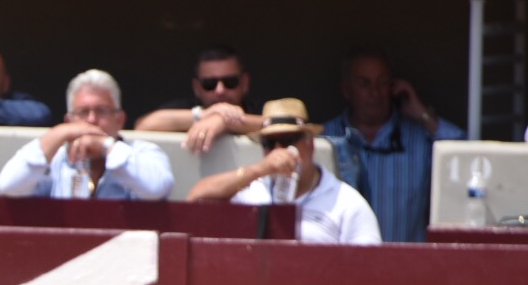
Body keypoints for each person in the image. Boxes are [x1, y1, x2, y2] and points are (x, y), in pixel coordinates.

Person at [188, 99, 381, 245]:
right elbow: (196, 198)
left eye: (288, 140)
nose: (279, 151)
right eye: (270, 143)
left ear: (309, 143)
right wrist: (261, 169)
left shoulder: (347, 202)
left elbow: (369, 268)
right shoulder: (254, 190)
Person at [322, 49, 463, 243]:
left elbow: (464, 157)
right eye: (364, 83)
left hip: (407, 267)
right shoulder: (326, 138)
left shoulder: (419, 138)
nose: (374, 92)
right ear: (346, 90)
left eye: (382, 83)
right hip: (344, 267)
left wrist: (423, 114)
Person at [0, 70, 173, 200]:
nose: (92, 119)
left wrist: (106, 146)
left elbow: (156, 188)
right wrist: (57, 134)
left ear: (120, 120)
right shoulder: (56, 159)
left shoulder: (143, 152)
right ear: (69, 121)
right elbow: (10, 186)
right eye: (83, 112)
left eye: (101, 111)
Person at [135, 45, 261, 151]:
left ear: (244, 83)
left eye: (230, 82)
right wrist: (205, 115)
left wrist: (222, 121)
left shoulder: (260, 109)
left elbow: (275, 124)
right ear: (197, 87)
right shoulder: (186, 108)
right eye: (209, 84)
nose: (220, 90)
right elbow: (143, 126)